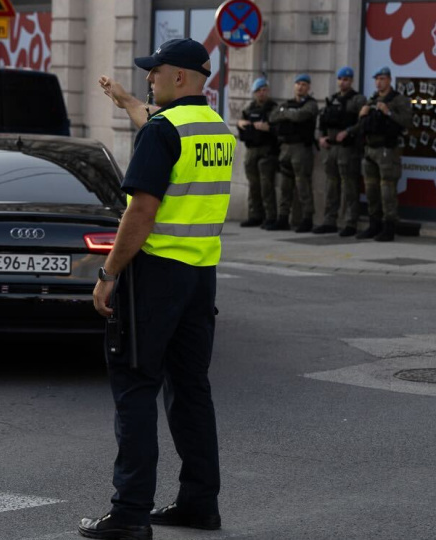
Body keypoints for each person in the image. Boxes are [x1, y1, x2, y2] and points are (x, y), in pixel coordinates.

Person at [81, 38, 232, 540]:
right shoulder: (216, 129)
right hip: (199, 277)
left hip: (156, 276)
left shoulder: (165, 132)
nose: (150, 78)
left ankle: (129, 514)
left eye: (156, 71)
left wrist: (107, 274)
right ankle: (199, 504)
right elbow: (161, 127)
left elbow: (140, 212)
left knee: (135, 386)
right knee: (191, 390)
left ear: (181, 78)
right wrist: (125, 100)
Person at [338, 66, 411, 242]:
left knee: (387, 191)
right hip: (370, 149)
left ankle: (389, 227)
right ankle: (374, 225)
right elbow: (363, 125)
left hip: (387, 150)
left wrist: (389, 112)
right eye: (377, 79)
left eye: (382, 79)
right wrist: (357, 121)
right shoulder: (372, 100)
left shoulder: (399, 100)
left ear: (389, 80)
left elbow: (407, 121)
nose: (379, 83)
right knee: (371, 191)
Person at [314, 66, 366, 236]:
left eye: (346, 79)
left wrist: (348, 132)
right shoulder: (332, 99)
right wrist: (321, 137)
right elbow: (323, 122)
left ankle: (350, 222)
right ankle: (330, 220)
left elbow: (363, 122)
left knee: (349, 185)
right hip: (331, 148)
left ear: (351, 81)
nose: (342, 82)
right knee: (331, 185)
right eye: (340, 79)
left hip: (347, 149)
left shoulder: (357, 100)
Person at [268, 74, 319, 232]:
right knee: (285, 186)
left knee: (303, 185)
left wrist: (286, 113)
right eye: (298, 84)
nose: (300, 87)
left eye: (304, 84)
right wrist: (288, 113)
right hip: (286, 148)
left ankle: (307, 218)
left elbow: (299, 116)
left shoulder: (311, 104)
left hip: (301, 149)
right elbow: (273, 116)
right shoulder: (287, 103)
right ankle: (283, 218)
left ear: (308, 87)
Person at [238, 77, 279, 229]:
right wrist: (241, 123)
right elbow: (241, 122)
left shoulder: (273, 108)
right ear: (255, 93)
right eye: (259, 90)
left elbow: (279, 128)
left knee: (266, 184)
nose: (262, 93)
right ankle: (255, 215)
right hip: (251, 150)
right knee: (253, 184)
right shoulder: (250, 109)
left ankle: (270, 216)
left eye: (264, 90)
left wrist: (267, 127)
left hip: (267, 149)